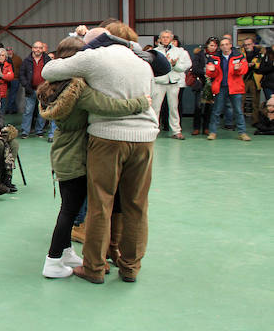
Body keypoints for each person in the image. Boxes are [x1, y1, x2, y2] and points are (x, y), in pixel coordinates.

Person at [41, 24, 158, 283]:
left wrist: (88, 50)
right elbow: (153, 97)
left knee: (100, 204)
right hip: (146, 137)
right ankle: (130, 267)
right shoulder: (142, 63)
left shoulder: (94, 57)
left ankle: (94, 268)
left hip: (107, 138)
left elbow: (48, 69)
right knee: (136, 205)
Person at [207, 37, 251, 141]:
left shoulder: (239, 56)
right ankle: (212, 132)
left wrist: (238, 69)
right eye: (222, 45)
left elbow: (244, 69)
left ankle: (242, 133)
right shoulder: (214, 57)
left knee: (238, 111)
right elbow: (209, 72)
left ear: (231, 45)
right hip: (220, 87)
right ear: (220, 47)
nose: (225, 46)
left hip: (235, 87)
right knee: (216, 111)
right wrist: (211, 71)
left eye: (226, 44)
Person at [151, 30, 191, 139]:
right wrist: (165, 65)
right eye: (163, 37)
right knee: (155, 107)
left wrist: (175, 65)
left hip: (173, 82)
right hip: (159, 82)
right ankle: (153, 130)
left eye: (167, 37)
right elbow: (151, 67)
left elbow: (187, 64)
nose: (165, 39)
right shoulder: (154, 52)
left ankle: (176, 131)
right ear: (159, 39)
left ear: (172, 39)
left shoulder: (180, 51)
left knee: (174, 107)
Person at [19, 41, 52, 138]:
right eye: (36, 47)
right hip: (31, 90)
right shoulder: (26, 61)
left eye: (40, 48)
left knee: (41, 111)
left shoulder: (47, 60)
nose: (38, 49)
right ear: (32, 49)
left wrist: (48, 86)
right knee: (28, 111)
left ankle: (39, 131)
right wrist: (26, 85)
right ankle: (25, 131)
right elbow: (22, 75)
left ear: (43, 49)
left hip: (44, 91)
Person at [190, 37, 220, 135]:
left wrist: (213, 73)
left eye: (215, 46)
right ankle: (196, 127)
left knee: (209, 107)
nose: (213, 47)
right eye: (211, 45)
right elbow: (194, 68)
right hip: (201, 83)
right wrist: (205, 72)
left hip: (212, 84)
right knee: (198, 106)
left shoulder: (218, 56)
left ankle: (206, 127)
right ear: (207, 45)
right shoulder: (200, 54)